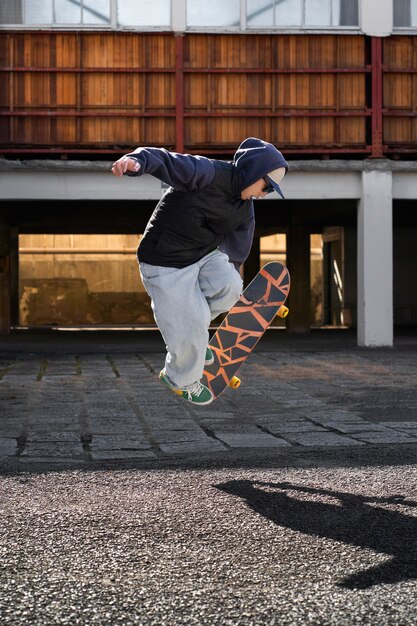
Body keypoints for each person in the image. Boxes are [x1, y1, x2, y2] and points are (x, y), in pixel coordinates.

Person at [111, 137, 289, 406]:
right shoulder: (207, 172)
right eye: (266, 186)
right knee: (188, 325)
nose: (264, 194)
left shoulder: (245, 209)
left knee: (229, 286)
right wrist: (137, 161)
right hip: (164, 261)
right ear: (253, 172)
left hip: (203, 255)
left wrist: (230, 272)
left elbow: (239, 246)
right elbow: (166, 160)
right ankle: (178, 377)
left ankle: (194, 336)